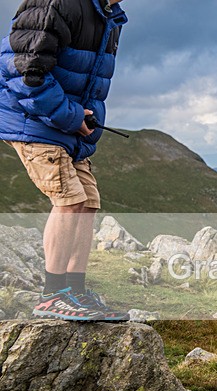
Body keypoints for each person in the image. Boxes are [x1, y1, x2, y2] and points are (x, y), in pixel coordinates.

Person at [0, 0, 129, 321]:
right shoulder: (57, 3)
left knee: (87, 203)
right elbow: (27, 72)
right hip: (32, 119)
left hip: (67, 126)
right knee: (69, 200)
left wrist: (82, 120)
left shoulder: (110, 17)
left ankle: (75, 290)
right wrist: (72, 116)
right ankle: (51, 295)